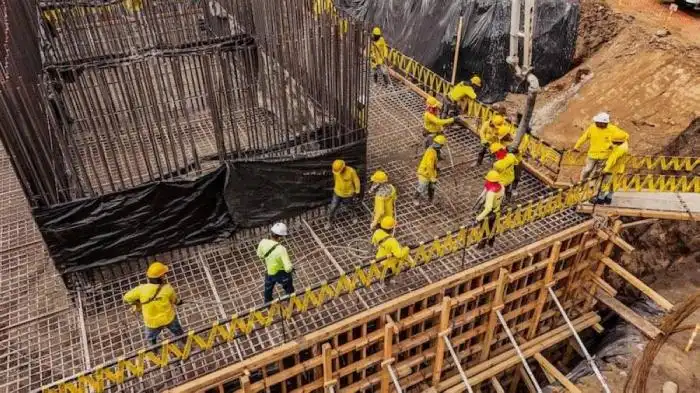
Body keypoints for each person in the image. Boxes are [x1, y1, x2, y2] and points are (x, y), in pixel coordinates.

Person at [123, 262, 185, 346]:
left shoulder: (141, 289)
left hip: (152, 323)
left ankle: (153, 351)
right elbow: (175, 301)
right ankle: (184, 341)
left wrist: (137, 302)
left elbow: (126, 298)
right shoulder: (168, 288)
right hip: (168, 318)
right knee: (178, 331)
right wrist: (179, 302)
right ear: (161, 277)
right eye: (164, 275)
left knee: (151, 338)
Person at [573, 112, 624, 181]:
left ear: (603, 123)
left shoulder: (612, 129)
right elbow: (584, 137)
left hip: (604, 155)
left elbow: (624, 136)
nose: (596, 123)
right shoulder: (592, 128)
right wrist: (576, 146)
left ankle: (593, 187)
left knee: (597, 173)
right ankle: (581, 182)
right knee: (588, 169)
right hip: (592, 154)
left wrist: (614, 145)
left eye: (597, 122)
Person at [257, 222, 294, 303]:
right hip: (281, 273)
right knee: (288, 287)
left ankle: (267, 302)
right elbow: (288, 268)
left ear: (271, 233)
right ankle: (291, 301)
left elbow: (260, 255)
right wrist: (291, 267)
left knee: (268, 288)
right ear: (280, 237)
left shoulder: (262, 242)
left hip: (269, 272)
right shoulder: (281, 249)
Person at [596, 130, 630, 204]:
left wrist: (605, 169)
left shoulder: (619, 149)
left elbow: (612, 160)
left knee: (605, 183)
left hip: (612, 169)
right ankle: (609, 198)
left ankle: (600, 199)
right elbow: (627, 135)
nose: (613, 143)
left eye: (615, 142)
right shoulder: (625, 140)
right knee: (613, 184)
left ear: (619, 142)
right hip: (620, 169)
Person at [475, 170, 504, 249]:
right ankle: (491, 242)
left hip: (489, 213)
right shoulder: (501, 186)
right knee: (493, 227)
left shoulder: (491, 193)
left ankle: (482, 244)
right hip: (497, 210)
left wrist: (478, 218)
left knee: (484, 229)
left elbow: (488, 208)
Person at [328, 159, 361, 228]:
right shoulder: (336, 172)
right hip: (337, 193)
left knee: (350, 206)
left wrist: (357, 191)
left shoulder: (351, 171)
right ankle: (330, 222)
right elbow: (335, 179)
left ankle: (354, 217)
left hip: (348, 194)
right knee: (332, 208)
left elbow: (356, 181)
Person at [414, 135, 445, 206]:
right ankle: (415, 198)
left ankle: (430, 199)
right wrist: (432, 177)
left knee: (432, 187)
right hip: (424, 172)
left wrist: (436, 169)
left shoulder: (435, 151)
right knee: (422, 186)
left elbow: (434, 164)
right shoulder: (431, 152)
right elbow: (429, 166)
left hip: (432, 173)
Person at [509, 112, 532, 195]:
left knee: (517, 175)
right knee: (508, 175)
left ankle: (513, 189)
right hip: (511, 158)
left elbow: (525, 147)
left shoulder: (526, 136)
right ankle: (508, 189)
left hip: (518, 159)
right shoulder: (514, 132)